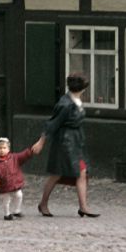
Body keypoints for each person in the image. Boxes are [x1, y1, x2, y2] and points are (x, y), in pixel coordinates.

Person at [36, 73, 100, 218]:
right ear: (83, 88)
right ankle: (43, 203)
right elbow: (53, 123)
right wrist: (41, 141)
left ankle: (83, 207)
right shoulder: (65, 104)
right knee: (57, 173)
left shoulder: (75, 100)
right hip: (65, 142)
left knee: (81, 172)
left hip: (76, 142)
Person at [0, 136, 41, 220]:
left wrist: (31, 151)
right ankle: (7, 214)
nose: (2, 150)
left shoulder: (14, 158)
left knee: (19, 195)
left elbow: (23, 155)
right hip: (4, 186)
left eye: (4, 148)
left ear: (8, 149)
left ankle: (17, 210)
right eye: (0, 148)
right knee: (6, 200)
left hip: (14, 184)